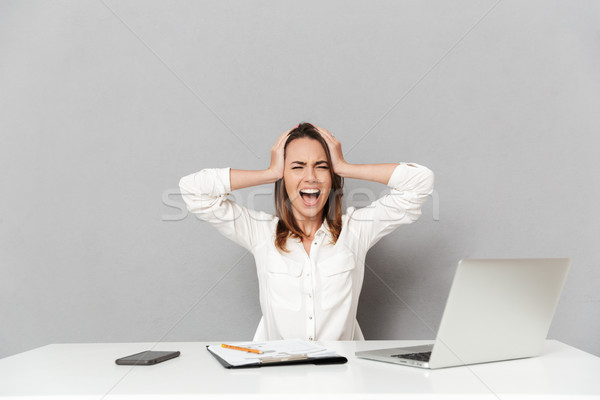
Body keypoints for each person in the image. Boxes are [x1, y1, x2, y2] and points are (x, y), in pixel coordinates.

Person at [179, 122, 434, 341]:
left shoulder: (355, 231)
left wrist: (344, 167)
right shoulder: (260, 233)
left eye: (321, 166)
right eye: (297, 166)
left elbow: (420, 182)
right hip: (277, 381)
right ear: (283, 177)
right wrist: (269, 173)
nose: (310, 177)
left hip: (343, 379)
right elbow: (194, 191)